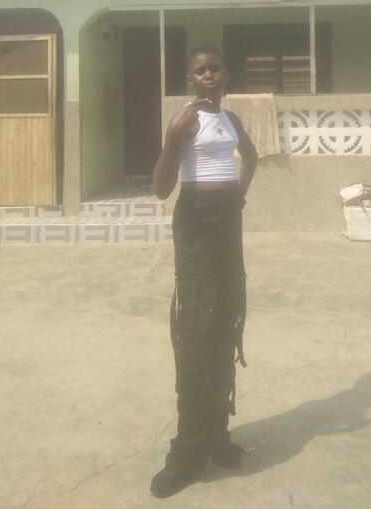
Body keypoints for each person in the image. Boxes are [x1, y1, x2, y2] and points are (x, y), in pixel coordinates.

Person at [150, 46, 258, 499]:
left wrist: (240, 196)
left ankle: (215, 435)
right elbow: (161, 189)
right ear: (190, 79)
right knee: (195, 332)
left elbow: (250, 157)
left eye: (215, 68)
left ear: (225, 73)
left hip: (227, 219)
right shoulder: (184, 120)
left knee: (225, 323)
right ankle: (186, 454)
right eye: (200, 71)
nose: (209, 75)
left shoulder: (230, 120)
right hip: (194, 220)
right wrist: (172, 138)